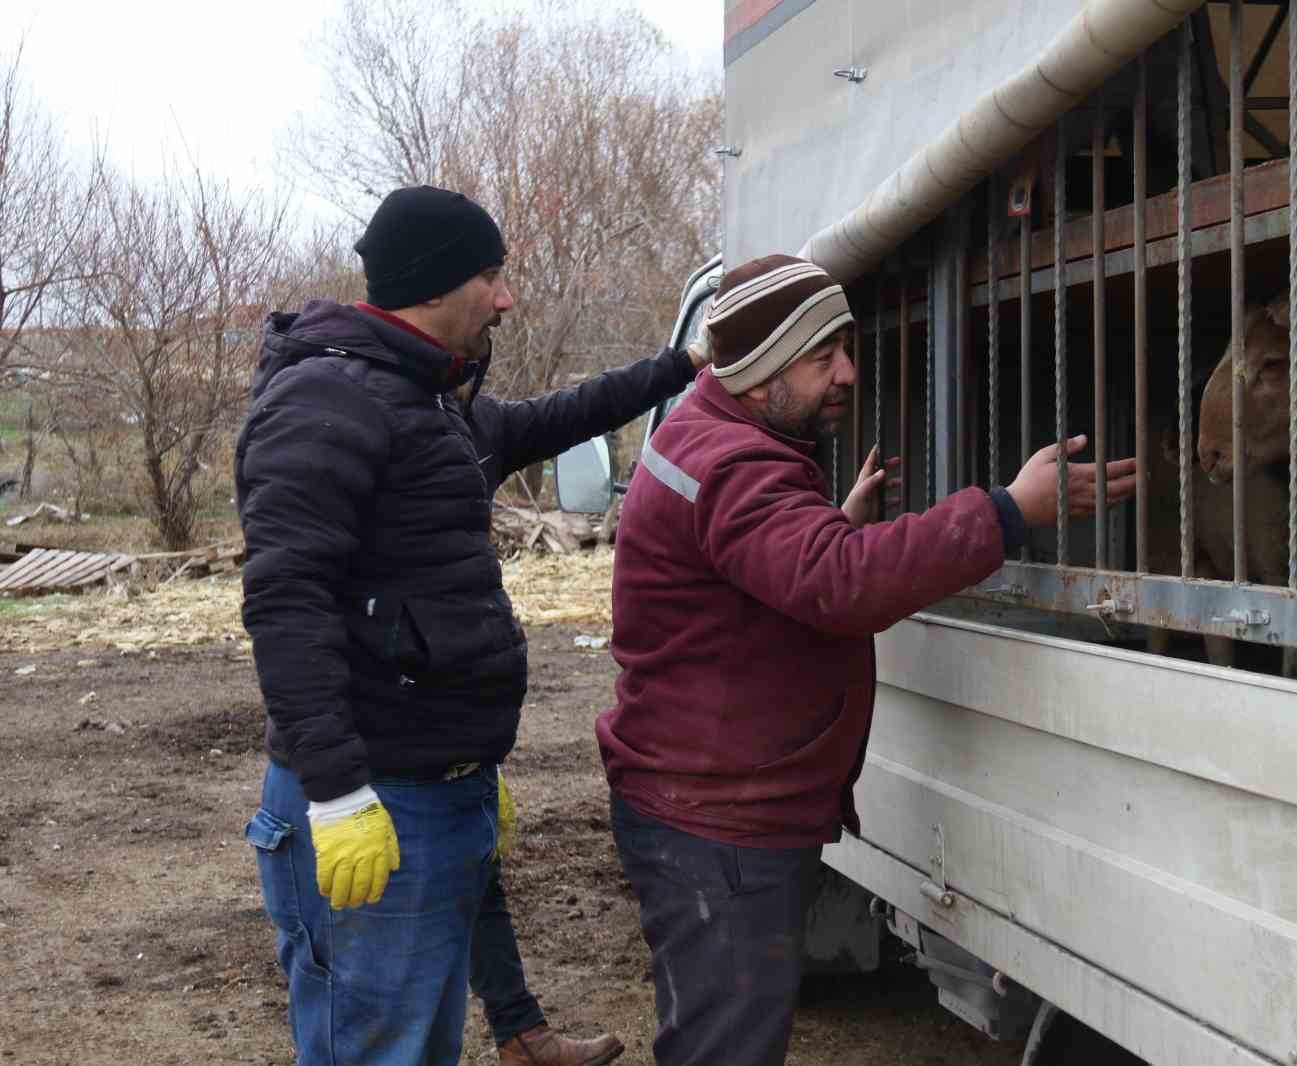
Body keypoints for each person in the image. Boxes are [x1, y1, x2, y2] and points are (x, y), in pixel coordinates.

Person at [595, 253, 1138, 1066]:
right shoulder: (735, 463)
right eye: (823, 357)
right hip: (720, 826)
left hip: (699, 803)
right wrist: (1008, 510)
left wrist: (824, 522)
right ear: (760, 368)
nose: (848, 371)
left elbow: (771, 566)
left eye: (846, 348)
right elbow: (840, 584)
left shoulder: (706, 431)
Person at [237, 184, 700, 1066]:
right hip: (375, 797)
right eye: (491, 275)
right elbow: (285, 601)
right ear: (434, 285)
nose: (506, 296)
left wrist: (682, 365)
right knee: (380, 1047)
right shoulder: (329, 401)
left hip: (433, 788)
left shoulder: (423, 399)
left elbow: (554, 419)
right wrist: (335, 792)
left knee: (420, 1043)